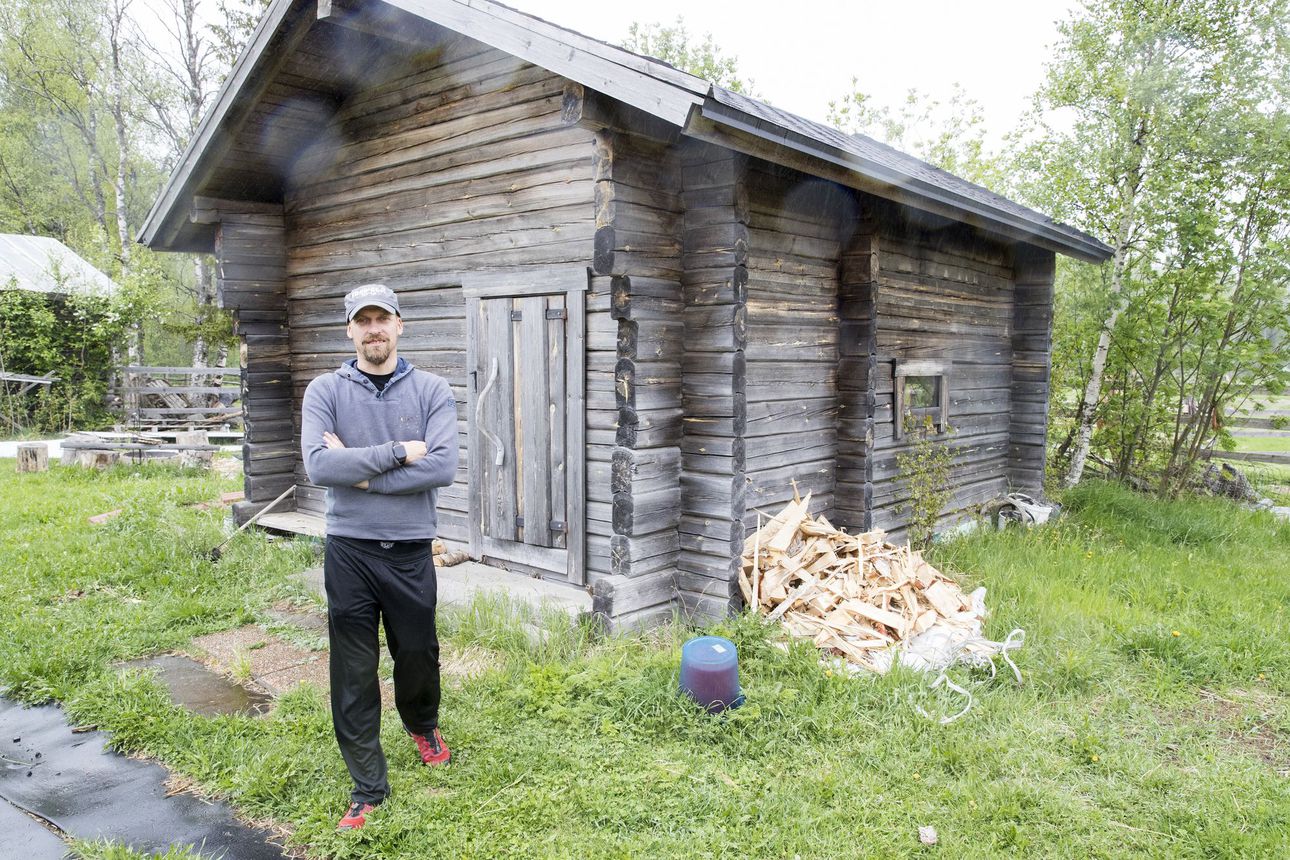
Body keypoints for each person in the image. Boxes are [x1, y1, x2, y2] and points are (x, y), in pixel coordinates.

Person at [300, 283, 460, 831]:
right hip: (349, 551)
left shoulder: (433, 390)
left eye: (382, 319)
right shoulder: (324, 390)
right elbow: (321, 468)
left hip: (412, 548)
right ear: (350, 330)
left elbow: (440, 468)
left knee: (417, 653)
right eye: (362, 320)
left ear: (399, 325)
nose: (373, 329)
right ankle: (368, 784)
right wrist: (394, 454)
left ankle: (422, 723)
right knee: (353, 669)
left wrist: (360, 474)